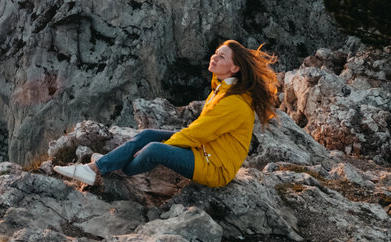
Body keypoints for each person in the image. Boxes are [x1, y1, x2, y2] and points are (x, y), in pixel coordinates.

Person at [53, 40, 279, 188]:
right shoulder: (222, 89)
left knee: (153, 149)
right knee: (148, 134)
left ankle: (101, 168)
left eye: (221, 57)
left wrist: (168, 145)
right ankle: (103, 165)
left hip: (215, 167)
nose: (214, 57)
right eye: (216, 53)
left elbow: (200, 132)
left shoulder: (235, 103)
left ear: (235, 68)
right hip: (205, 151)